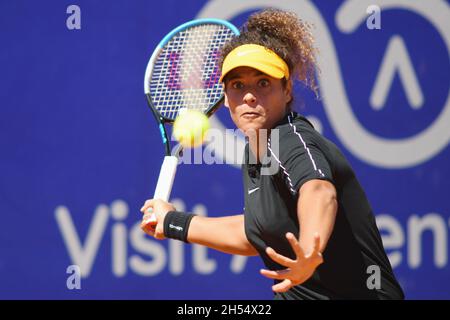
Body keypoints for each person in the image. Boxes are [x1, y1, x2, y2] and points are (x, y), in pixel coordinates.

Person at [140, 9, 404, 300]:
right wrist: (174, 221)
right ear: (225, 97)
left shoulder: (289, 139)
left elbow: (318, 191)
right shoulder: (255, 151)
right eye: (238, 85)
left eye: (263, 83)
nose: (249, 95)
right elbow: (256, 233)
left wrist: (310, 248)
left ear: (287, 89)